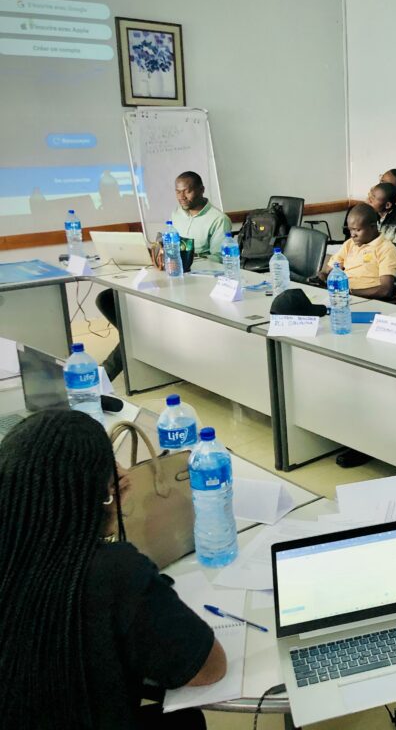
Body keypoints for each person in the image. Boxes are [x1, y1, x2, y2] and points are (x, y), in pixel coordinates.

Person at [0, 410, 226, 729]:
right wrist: (107, 516)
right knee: (187, 721)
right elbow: (208, 669)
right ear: (104, 494)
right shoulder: (113, 572)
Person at [95, 171, 232, 381]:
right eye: (177, 192)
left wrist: (188, 257)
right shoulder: (177, 214)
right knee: (106, 299)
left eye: (187, 191)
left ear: (201, 190)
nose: (181, 197)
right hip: (173, 276)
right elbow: (170, 243)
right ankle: (143, 339)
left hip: (198, 284)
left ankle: (105, 373)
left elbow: (218, 259)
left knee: (138, 328)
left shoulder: (218, 219)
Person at [318, 203, 396, 299]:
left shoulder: (386, 249)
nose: (352, 234)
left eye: (357, 230)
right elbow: (329, 270)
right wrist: (322, 276)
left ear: (373, 227)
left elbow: (385, 290)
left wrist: (349, 292)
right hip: (341, 295)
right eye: (350, 230)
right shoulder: (349, 244)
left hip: (365, 299)